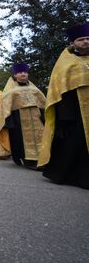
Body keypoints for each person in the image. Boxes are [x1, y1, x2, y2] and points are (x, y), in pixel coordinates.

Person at [38, 24, 89, 189]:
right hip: (75, 111)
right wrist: (65, 116)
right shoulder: (65, 62)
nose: (86, 42)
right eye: (81, 39)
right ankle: (73, 177)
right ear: (73, 43)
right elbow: (59, 89)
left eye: (88, 39)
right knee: (76, 144)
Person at [0, 63, 45, 169]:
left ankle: (41, 159)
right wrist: (9, 122)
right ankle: (27, 160)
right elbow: (5, 105)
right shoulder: (10, 90)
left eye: (25, 72)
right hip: (18, 118)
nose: (23, 74)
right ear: (15, 75)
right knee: (20, 140)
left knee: (39, 137)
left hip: (35, 117)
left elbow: (42, 102)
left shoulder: (34, 89)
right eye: (20, 73)